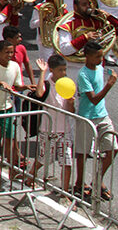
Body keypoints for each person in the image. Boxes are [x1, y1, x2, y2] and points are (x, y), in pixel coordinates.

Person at [73, 41, 118, 202]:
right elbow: (93, 99)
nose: (100, 59)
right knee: (83, 153)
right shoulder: (83, 74)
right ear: (87, 56)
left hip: (102, 115)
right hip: (87, 117)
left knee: (112, 148)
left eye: (102, 56)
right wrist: (109, 85)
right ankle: (79, 183)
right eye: (97, 56)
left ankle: (97, 181)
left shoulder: (99, 67)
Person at [26, 55, 75, 196]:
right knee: (44, 159)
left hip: (64, 131)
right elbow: (39, 93)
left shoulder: (67, 85)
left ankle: (65, 193)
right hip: (48, 130)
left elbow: (70, 111)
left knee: (67, 162)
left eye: (65, 70)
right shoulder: (47, 84)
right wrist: (42, 72)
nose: (63, 73)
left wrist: (70, 102)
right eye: (60, 70)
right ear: (52, 70)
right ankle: (30, 177)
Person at [0, 41, 30, 174]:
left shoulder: (15, 66)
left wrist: (25, 87)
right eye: (7, 52)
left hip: (6, 107)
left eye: (12, 52)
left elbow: (17, 86)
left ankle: (10, 163)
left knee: (9, 136)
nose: (10, 55)